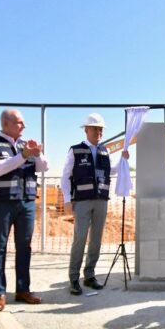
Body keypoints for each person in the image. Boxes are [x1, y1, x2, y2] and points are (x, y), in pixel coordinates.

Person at [0, 109, 49, 312]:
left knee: (24, 247)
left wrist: (38, 154)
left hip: (26, 201)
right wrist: (23, 155)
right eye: (19, 122)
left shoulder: (24, 145)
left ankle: (22, 289)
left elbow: (44, 167)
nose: (24, 126)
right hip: (1, 202)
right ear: (6, 123)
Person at [62, 113, 112, 295]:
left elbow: (110, 171)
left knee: (96, 240)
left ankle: (89, 275)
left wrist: (123, 159)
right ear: (86, 130)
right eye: (95, 129)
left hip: (101, 201)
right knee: (80, 238)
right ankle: (74, 278)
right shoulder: (75, 150)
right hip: (82, 201)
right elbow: (65, 176)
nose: (98, 132)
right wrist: (67, 199)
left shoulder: (105, 151)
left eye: (101, 129)